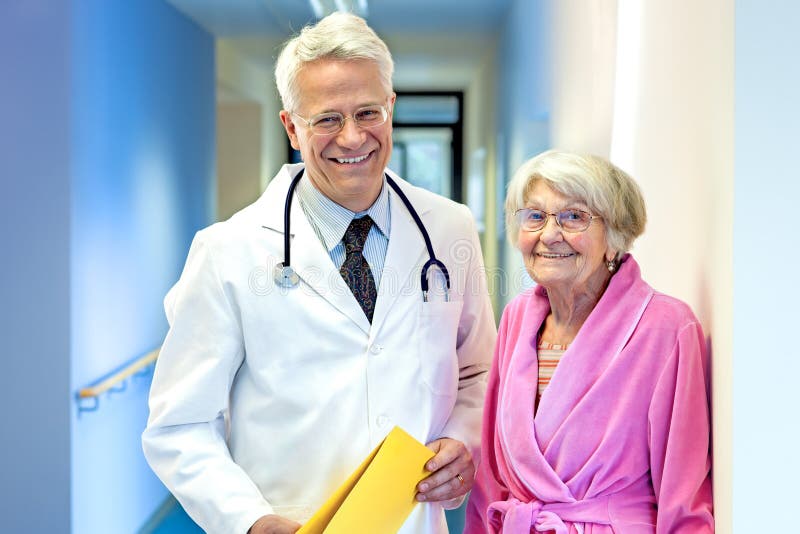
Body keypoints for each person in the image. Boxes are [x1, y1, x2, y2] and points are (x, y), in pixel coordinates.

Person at [141, 12, 496, 534]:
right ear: (292, 127)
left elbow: (480, 370)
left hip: (413, 520)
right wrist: (249, 520)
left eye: (368, 112)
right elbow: (181, 424)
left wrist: (464, 439)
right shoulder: (228, 251)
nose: (352, 138)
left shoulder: (448, 228)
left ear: (391, 108)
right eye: (327, 119)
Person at [464, 150, 713, 533]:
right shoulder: (516, 317)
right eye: (535, 216)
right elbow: (491, 481)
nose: (549, 234)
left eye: (574, 217)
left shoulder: (666, 328)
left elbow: (684, 498)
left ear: (615, 237)